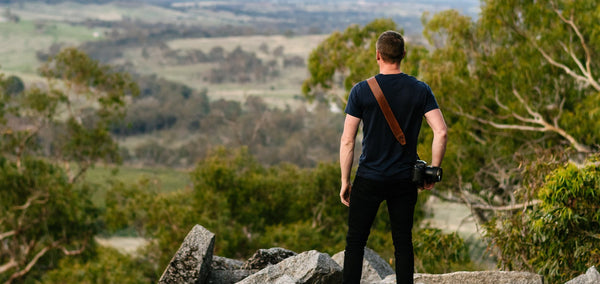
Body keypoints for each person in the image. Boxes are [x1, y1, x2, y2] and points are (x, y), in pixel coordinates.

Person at [339, 30, 447, 284]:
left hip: (369, 177)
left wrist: (345, 180)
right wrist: (433, 169)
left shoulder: (361, 91)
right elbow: (440, 132)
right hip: (404, 179)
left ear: (378, 55)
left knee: (355, 242)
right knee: (402, 242)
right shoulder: (421, 90)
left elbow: (347, 140)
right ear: (403, 55)